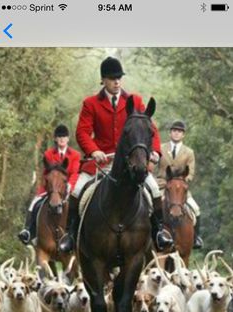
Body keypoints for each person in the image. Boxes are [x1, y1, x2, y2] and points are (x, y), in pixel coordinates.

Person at [59, 56, 173, 253]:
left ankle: (159, 232)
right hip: (100, 163)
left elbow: (149, 127)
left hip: (130, 163)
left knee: (154, 189)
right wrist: (94, 150)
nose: (117, 82)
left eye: (119, 77)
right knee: (76, 191)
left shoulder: (134, 100)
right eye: (112, 78)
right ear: (103, 80)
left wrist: (154, 151)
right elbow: (82, 132)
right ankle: (70, 235)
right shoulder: (91, 103)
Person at [18, 124, 81, 245]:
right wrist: (45, 190)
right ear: (55, 139)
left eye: (64, 137)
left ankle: (76, 234)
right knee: (34, 203)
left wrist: (70, 186)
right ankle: (28, 231)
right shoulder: (48, 154)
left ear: (68, 139)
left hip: (67, 187)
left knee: (77, 204)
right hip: (51, 188)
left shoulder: (75, 155)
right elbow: (46, 174)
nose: (62, 139)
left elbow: (74, 173)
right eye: (59, 137)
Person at [156, 120, 203, 249]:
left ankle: (196, 238)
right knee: (151, 206)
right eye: (174, 131)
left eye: (179, 132)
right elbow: (154, 166)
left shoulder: (189, 152)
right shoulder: (160, 148)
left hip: (180, 188)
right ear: (170, 133)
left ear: (183, 135)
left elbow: (191, 173)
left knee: (196, 208)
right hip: (162, 185)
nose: (177, 133)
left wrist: (181, 182)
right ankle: (155, 233)